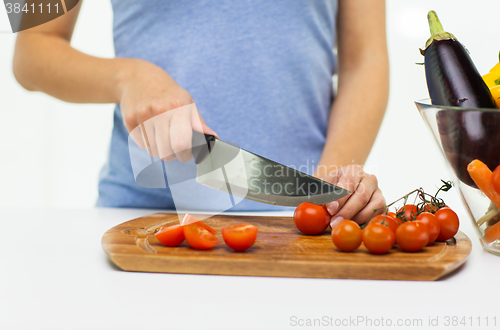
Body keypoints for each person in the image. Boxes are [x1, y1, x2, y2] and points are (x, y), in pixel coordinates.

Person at [13, 0, 389, 226]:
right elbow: (31, 49)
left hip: (300, 220)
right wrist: (129, 77)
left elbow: (365, 59)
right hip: (141, 221)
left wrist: (330, 189)